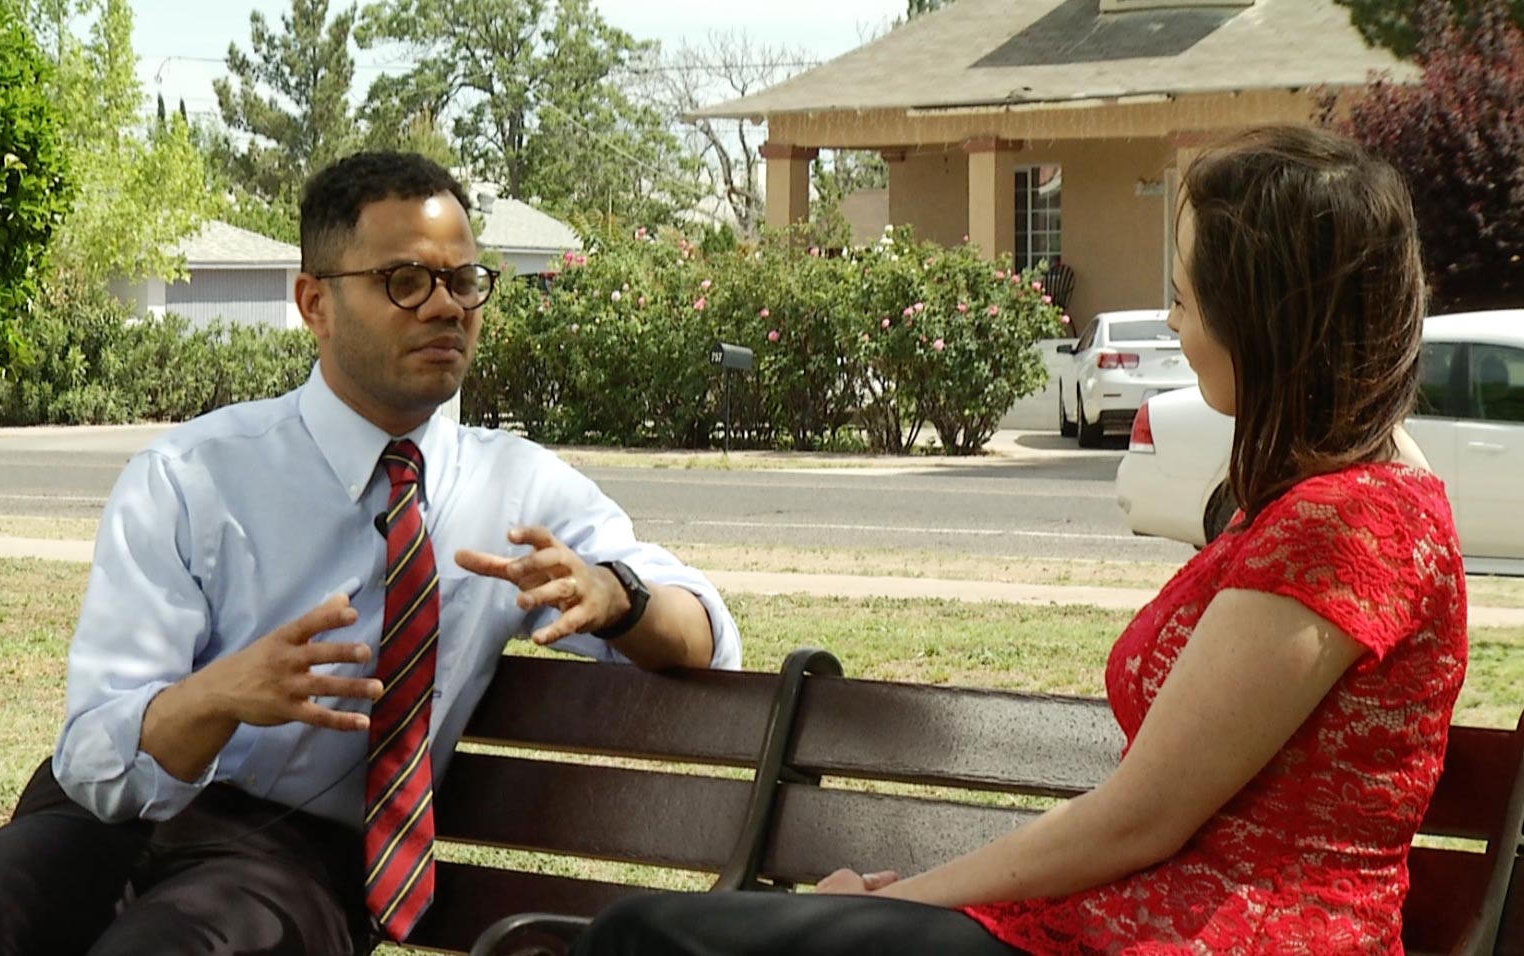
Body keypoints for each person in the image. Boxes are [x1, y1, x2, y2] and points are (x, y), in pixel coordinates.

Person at [569, 125, 1467, 955]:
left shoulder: (1348, 525)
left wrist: (898, 903)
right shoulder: (1328, 493)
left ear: (1268, 326)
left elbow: (1139, 821)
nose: (1172, 325)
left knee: (651, 938)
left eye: (1186, 300)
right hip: (1137, 917)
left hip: (1211, 936)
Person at [0, 151, 741, 956]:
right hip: (107, 819)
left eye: (463, 280)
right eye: (405, 281)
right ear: (314, 302)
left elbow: (707, 633)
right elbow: (95, 757)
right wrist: (221, 695)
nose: (446, 306)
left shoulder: (520, 492)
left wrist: (618, 595)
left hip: (299, 854)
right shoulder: (192, 476)